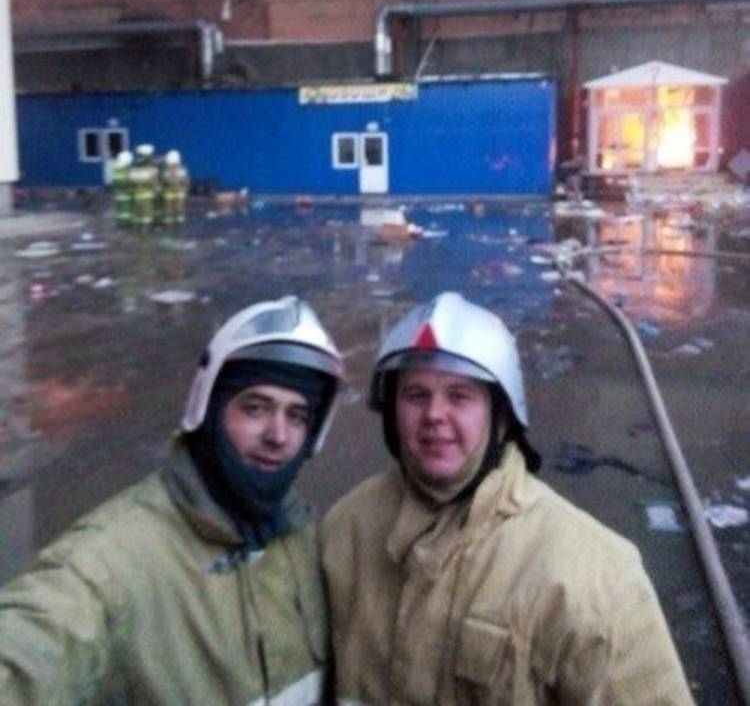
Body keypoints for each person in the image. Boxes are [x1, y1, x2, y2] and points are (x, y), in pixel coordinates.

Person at [321, 291, 694, 704]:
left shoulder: (595, 576)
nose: (434, 415)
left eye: (459, 396)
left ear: (499, 415)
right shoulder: (346, 529)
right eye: (416, 395)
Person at [0, 295, 345, 704]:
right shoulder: (109, 563)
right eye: (255, 408)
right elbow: (32, 648)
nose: (278, 435)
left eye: (297, 416)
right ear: (208, 411)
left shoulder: (306, 539)